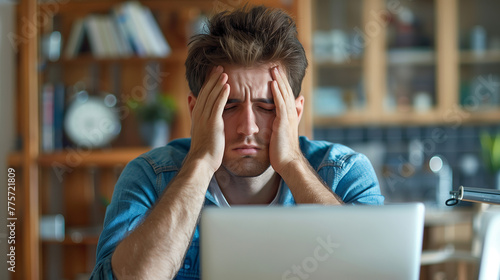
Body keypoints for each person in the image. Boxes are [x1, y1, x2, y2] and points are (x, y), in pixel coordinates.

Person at [90, 5, 384, 280]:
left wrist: (292, 162)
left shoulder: (344, 172)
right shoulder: (149, 176)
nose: (248, 127)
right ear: (196, 110)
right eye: (228, 106)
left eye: (267, 106)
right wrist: (200, 163)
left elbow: (373, 270)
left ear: (295, 112)